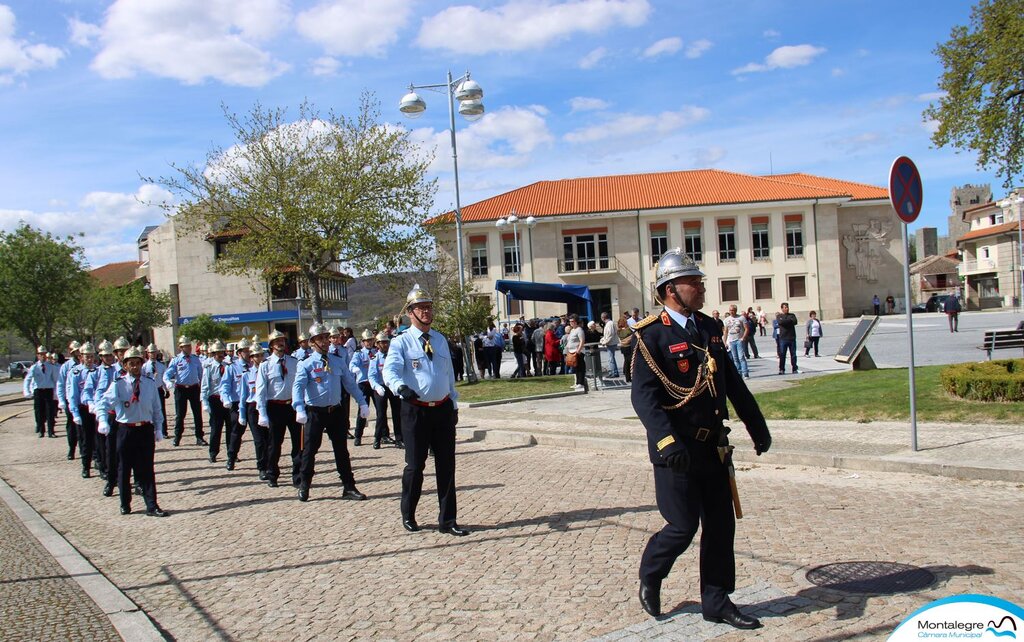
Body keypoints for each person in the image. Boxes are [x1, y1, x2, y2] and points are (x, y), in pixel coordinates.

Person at [631, 248, 771, 628]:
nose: (701, 287)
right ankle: (652, 573)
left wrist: (756, 425)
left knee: (721, 525)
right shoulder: (651, 335)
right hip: (676, 449)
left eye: (700, 281)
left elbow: (731, 383)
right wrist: (666, 442)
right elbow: (643, 397)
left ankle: (717, 600)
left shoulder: (708, 328)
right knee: (681, 527)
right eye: (694, 282)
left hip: (713, 446)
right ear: (671, 289)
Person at [383, 284, 467, 536]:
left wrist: (453, 402)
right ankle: (408, 513)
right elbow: (390, 371)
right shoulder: (401, 342)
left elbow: (448, 375)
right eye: (421, 308)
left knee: (446, 465)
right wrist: (400, 387)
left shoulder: (440, 340)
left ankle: (448, 520)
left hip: (441, 410)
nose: (427, 312)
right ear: (411, 312)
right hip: (415, 411)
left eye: (429, 307)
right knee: (415, 465)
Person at [292, 323, 369, 502]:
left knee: (341, 450)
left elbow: (350, 383)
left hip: (335, 411)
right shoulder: (306, 364)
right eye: (320, 338)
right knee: (310, 451)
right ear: (312, 342)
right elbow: (298, 387)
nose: (325, 342)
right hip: (315, 413)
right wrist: (298, 407)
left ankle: (349, 486)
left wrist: (362, 402)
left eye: (326, 337)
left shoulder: (337, 361)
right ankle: (304, 484)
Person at [95, 346, 168, 517]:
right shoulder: (119, 385)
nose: (135, 367)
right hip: (125, 430)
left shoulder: (149, 384)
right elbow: (103, 403)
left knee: (147, 469)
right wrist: (103, 420)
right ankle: (125, 503)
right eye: (131, 364)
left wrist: (158, 428)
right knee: (124, 468)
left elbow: (157, 408)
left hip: (144, 429)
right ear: (125, 366)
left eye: (137, 363)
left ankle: (152, 505)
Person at [256, 330, 301, 488]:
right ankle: (272, 474)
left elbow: (300, 385)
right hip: (275, 407)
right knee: (274, 444)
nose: (281, 343)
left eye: (282, 340)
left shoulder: (294, 362)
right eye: (277, 341)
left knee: (298, 443)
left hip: (293, 406)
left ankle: (298, 476)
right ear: (271, 346)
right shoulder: (265, 365)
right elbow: (260, 391)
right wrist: (262, 413)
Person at [164, 335, 206, 447]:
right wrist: (168, 382)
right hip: (181, 389)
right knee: (180, 414)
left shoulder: (195, 359)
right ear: (180, 348)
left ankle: (199, 437)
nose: (188, 348)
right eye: (185, 346)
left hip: (194, 388)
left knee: (197, 414)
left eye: (189, 346)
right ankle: (177, 437)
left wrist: (203, 388)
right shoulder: (176, 360)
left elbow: (201, 375)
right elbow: (167, 374)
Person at [200, 341, 233, 464]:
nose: (220, 355)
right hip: (215, 399)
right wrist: (205, 402)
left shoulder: (228, 366)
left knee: (231, 427)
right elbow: (204, 386)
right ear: (213, 354)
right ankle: (213, 452)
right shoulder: (209, 368)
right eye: (217, 353)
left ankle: (232, 453)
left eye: (221, 352)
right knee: (216, 427)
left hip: (228, 400)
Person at [68, 342, 98, 478]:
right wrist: (75, 413)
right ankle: (86, 466)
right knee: (86, 439)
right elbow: (73, 395)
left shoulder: (98, 371)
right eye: (87, 357)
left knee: (99, 438)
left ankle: (100, 463)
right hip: (83, 409)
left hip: (96, 409)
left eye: (92, 356)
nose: (90, 360)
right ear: (81, 357)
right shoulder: (76, 373)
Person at [368, 332, 402, 449]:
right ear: (377, 344)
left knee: (397, 413)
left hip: (392, 387)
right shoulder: (375, 358)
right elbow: (371, 376)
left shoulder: (393, 356)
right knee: (381, 414)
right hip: (381, 387)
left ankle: (399, 438)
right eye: (382, 342)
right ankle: (378, 438)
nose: (385, 345)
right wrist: (377, 386)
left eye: (386, 342)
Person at [240, 344, 268, 479]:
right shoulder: (247, 375)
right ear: (251, 358)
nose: (259, 358)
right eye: (256, 355)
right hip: (253, 407)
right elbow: (243, 396)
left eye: (261, 355)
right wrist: (242, 414)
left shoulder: (268, 370)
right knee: (259, 440)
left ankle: (270, 464)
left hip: (267, 406)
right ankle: (262, 467)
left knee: (269, 438)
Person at [224, 339, 252, 471]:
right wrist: (226, 399)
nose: (248, 353)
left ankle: (263, 462)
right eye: (246, 351)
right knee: (236, 432)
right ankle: (231, 457)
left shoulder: (254, 366)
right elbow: (225, 385)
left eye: (249, 351)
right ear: (239, 353)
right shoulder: (232, 367)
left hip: (252, 403)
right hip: (236, 403)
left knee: (260, 434)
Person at [23, 345, 58, 438]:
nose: (42, 356)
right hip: (38, 391)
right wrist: (27, 391)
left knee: (50, 412)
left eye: (44, 354)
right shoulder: (34, 367)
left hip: (48, 390)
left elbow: (55, 380)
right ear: (37, 355)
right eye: (40, 354)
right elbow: (28, 379)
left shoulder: (51, 367)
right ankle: (41, 430)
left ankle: (51, 431)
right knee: (39, 412)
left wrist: (56, 393)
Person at [349, 329, 376, 445]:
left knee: (381, 409)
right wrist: (356, 369)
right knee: (363, 409)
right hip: (363, 384)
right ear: (363, 342)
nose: (369, 343)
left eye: (370, 340)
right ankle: (358, 435)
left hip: (375, 384)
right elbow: (352, 365)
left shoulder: (376, 352)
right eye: (366, 341)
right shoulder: (359, 354)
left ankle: (383, 434)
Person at [57, 341, 81, 457]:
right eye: (76, 351)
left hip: (82, 400)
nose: (78, 353)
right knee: (71, 426)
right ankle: (72, 448)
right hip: (70, 400)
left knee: (83, 429)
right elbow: (61, 384)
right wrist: (61, 400)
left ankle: (85, 451)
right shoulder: (66, 366)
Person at [142, 344, 169, 438]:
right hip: (149, 390)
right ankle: (152, 429)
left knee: (161, 410)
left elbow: (164, 378)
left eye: (154, 352)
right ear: (148, 353)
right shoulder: (144, 367)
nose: (153, 354)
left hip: (159, 389)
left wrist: (166, 389)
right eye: (151, 352)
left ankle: (164, 430)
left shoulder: (161, 366)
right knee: (150, 409)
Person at [722, 305, 749, 379]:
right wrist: (725, 342)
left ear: (736, 310)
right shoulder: (727, 320)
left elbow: (746, 328)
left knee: (741, 357)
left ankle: (745, 373)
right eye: (730, 310)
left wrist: (743, 337)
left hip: (739, 339)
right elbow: (726, 331)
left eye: (733, 310)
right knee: (735, 358)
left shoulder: (741, 318)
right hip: (731, 340)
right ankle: (739, 373)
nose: (731, 312)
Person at [564, 315, 588, 391]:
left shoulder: (579, 330)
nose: (571, 323)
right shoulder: (572, 330)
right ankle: (577, 382)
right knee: (575, 368)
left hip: (577, 351)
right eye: (570, 321)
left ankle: (581, 383)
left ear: (576, 322)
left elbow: (582, 340)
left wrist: (579, 350)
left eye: (572, 321)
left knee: (580, 367)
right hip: (571, 351)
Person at [776, 303, 799, 375]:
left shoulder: (792, 315)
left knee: (793, 354)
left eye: (787, 307)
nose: (786, 309)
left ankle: (794, 368)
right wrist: (789, 321)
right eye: (785, 307)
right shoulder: (779, 316)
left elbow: (795, 322)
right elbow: (781, 322)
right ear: (782, 309)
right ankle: (782, 369)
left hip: (791, 338)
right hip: (783, 338)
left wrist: (786, 321)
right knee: (782, 354)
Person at [599, 311, 620, 378]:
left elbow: (610, 335)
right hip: (611, 343)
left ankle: (614, 372)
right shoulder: (610, 323)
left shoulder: (609, 324)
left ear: (603, 318)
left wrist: (604, 342)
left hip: (611, 343)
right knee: (611, 358)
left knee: (611, 359)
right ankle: (614, 372)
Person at [619, 316, 635, 383]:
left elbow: (621, 340)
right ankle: (630, 377)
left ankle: (627, 377)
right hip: (628, 347)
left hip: (623, 347)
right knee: (630, 362)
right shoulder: (627, 329)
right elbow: (632, 336)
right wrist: (627, 340)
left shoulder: (619, 330)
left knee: (626, 361)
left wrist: (623, 341)